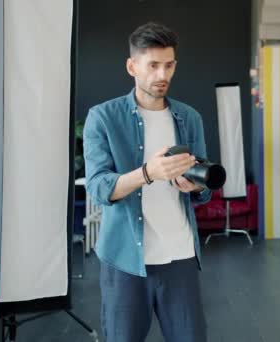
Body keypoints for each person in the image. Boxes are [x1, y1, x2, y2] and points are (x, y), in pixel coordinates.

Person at [83, 22, 210, 342]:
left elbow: (203, 190)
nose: (161, 74)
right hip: (125, 261)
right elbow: (99, 188)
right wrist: (148, 173)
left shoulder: (189, 117)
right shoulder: (103, 117)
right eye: (152, 65)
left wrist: (195, 186)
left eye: (168, 65)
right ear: (132, 66)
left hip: (180, 258)